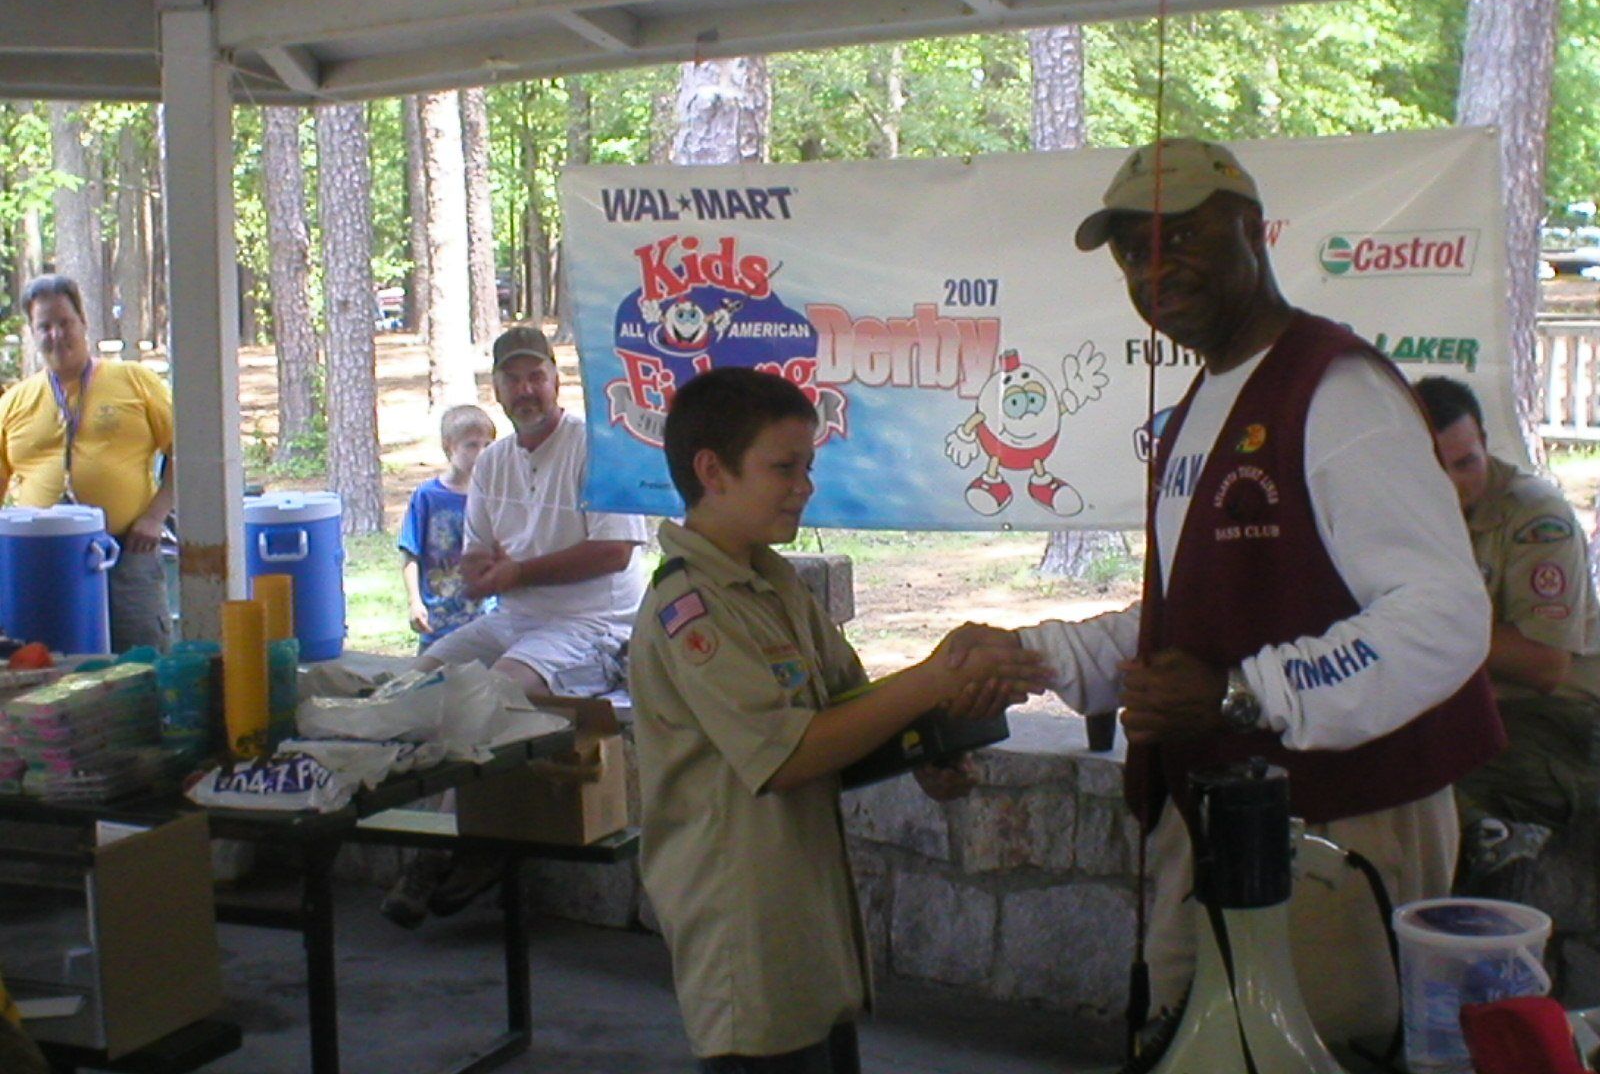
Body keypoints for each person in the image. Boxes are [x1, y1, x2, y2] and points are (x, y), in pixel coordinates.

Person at [1018, 138, 1503, 1044]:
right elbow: (1190, 618)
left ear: (1251, 228)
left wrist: (1244, 695)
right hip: (1217, 814)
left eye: (1181, 236)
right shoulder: (1205, 399)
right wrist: (1037, 655)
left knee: (1313, 1054)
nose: (1153, 268)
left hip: (1342, 820)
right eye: (1131, 251)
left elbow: (1443, 616)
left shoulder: (1338, 387)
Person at [633, 367, 1047, 1073]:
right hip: (745, 937)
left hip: (804, 924)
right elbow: (790, 754)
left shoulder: (772, 581)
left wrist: (930, 749)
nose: (804, 487)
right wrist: (935, 677)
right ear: (713, 472)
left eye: (809, 467)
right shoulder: (691, 611)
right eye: (784, 468)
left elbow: (848, 709)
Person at [383, 324, 650, 927]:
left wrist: (514, 572)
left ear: (557, 381)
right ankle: (443, 837)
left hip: (593, 625)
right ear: (497, 389)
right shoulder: (495, 462)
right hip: (513, 617)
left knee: (498, 691)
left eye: (537, 376)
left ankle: (463, 852)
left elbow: (616, 552)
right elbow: (478, 554)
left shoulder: (597, 448)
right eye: (513, 378)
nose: (526, 389)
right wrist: (480, 573)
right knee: (416, 679)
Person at [1415, 375, 1600, 885]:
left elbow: (1545, 664)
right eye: (1434, 466)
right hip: (1459, 705)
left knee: (1421, 768)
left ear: (1485, 447)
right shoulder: (1399, 511)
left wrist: (1420, 626)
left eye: (1466, 463)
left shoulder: (1535, 515)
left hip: (1553, 717)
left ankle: (1494, 848)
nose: (1453, 481)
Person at [0, 275, 175, 653]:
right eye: (44, 326)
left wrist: (155, 517)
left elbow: (186, 454)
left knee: (144, 664)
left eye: (65, 322)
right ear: (33, 333)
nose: (56, 335)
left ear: (84, 323)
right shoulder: (14, 402)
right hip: (40, 562)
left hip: (128, 552)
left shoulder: (134, 380)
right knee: (48, 667)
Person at [399, 403, 496, 650]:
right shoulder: (427, 496)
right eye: (472, 445)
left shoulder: (495, 495)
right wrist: (415, 602)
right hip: (439, 619)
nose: (481, 453)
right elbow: (411, 553)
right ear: (448, 447)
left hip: (485, 619)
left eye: (487, 445)